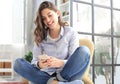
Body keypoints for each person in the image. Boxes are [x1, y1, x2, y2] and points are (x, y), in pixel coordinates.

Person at [14, 1, 90, 84]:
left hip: (68, 75)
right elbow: (34, 62)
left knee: (84, 51)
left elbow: (73, 61)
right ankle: (55, 82)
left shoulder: (70, 32)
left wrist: (60, 63)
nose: (48, 20)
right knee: (18, 63)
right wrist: (40, 64)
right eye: (44, 18)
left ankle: (55, 82)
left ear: (57, 13)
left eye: (50, 15)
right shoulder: (40, 36)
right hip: (47, 75)